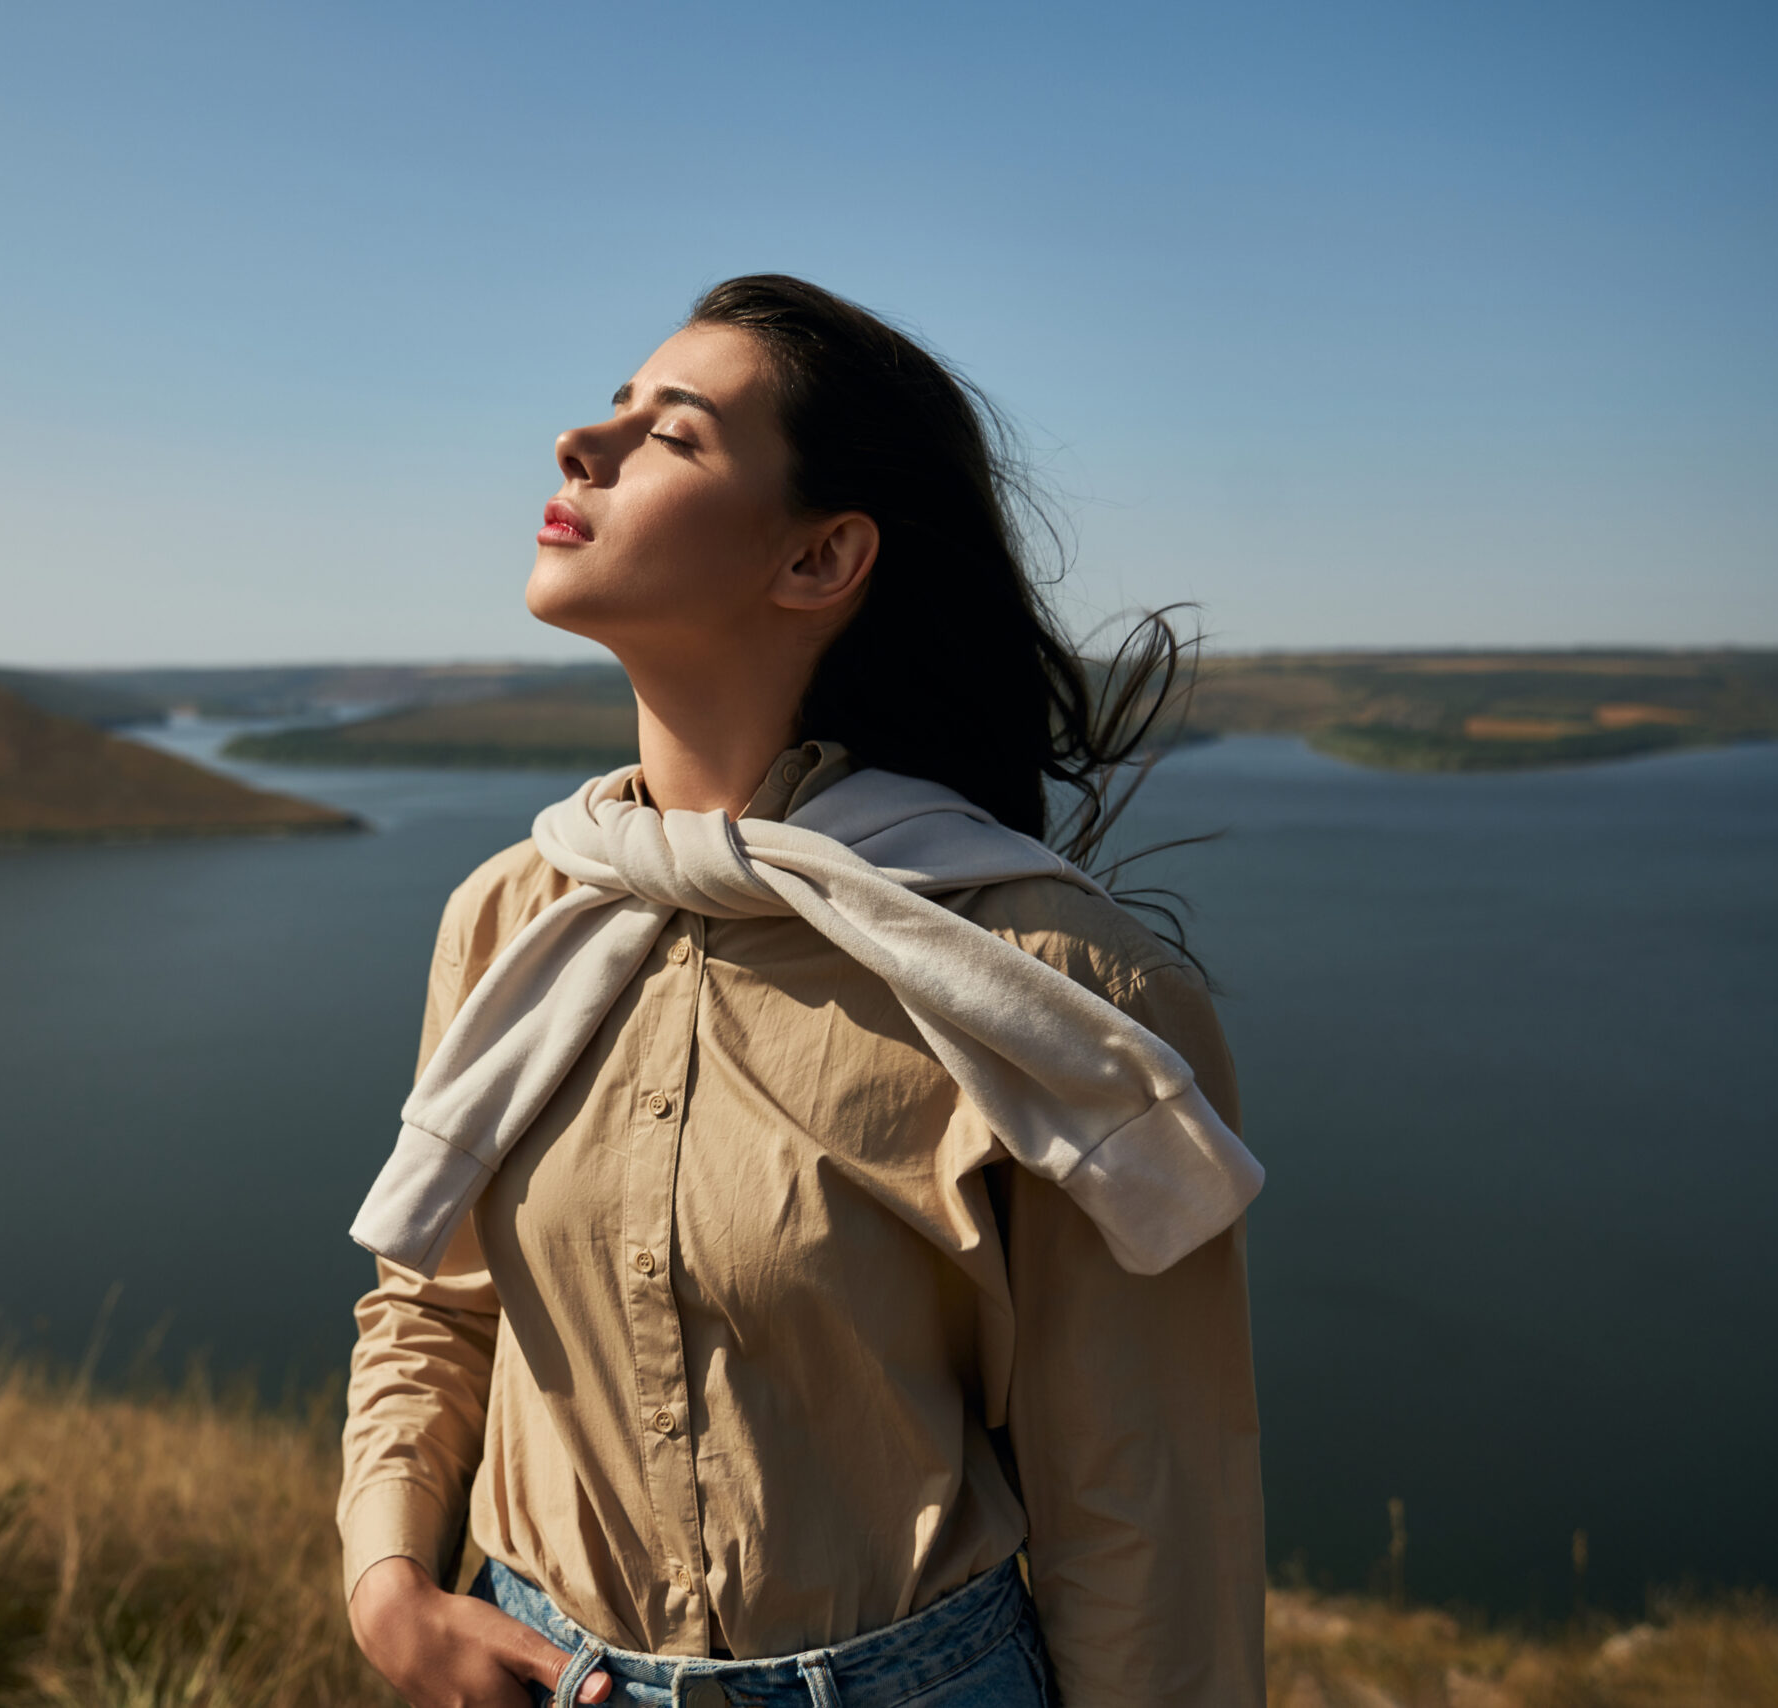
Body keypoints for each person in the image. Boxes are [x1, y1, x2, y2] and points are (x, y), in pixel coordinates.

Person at [338, 275, 1266, 1708]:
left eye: (675, 433)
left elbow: (1143, 1511)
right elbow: (437, 1306)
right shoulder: (515, 917)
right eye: (614, 406)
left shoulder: (1046, 979)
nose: (581, 443)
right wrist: (390, 1586)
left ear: (821, 560)